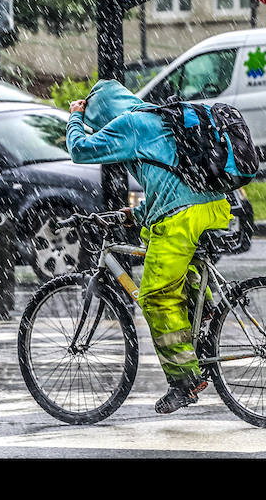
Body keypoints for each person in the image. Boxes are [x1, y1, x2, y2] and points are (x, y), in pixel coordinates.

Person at [66, 79, 234, 414]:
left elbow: (80, 150)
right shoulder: (159, 118)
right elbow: (170, 180)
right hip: (213, 206)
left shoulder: (129, 124)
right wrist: (134, 214)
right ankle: (209, 314)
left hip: (181, 218)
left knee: (155, 296)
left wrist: (74, 118)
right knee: (179, 274)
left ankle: (185, 382)